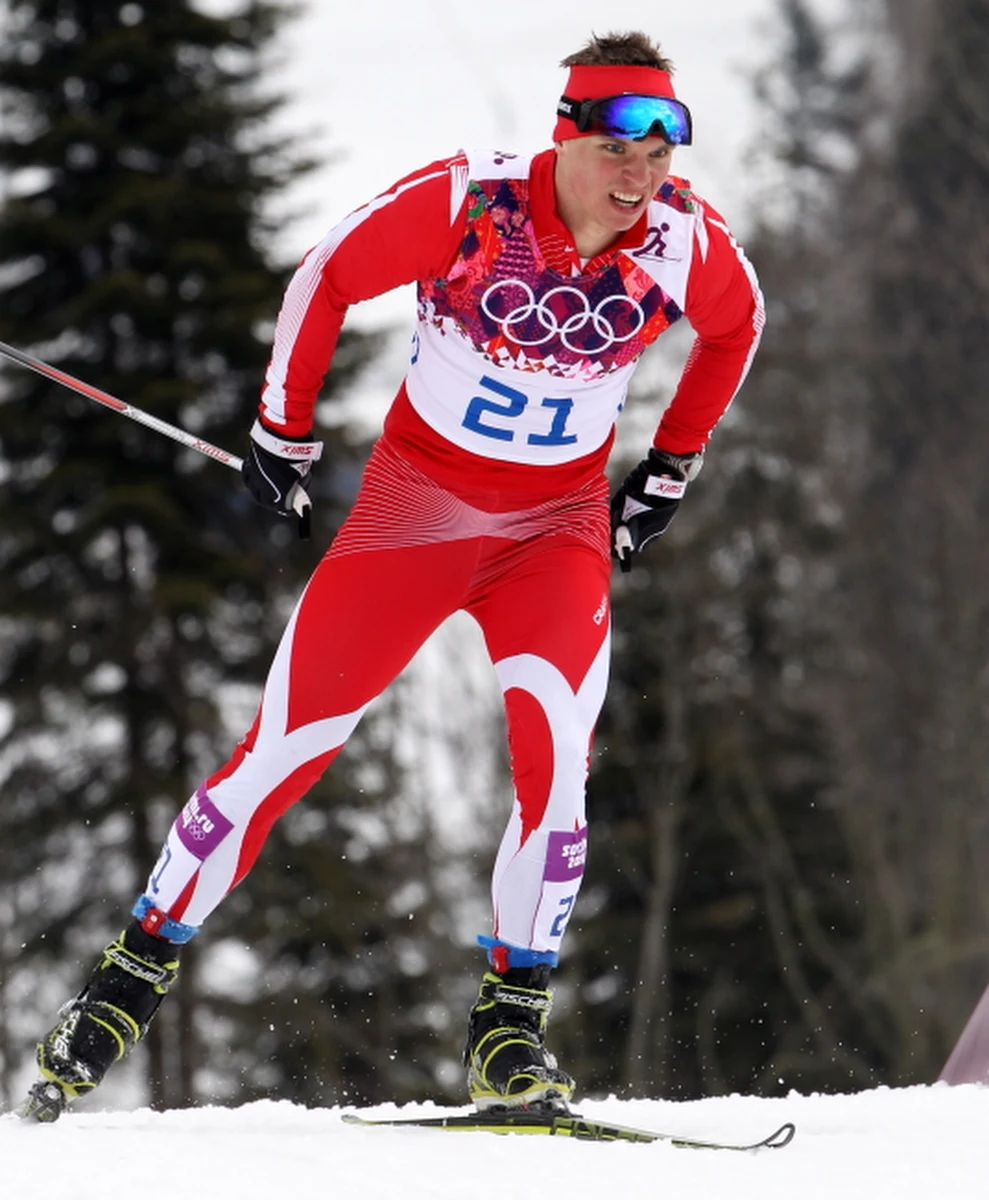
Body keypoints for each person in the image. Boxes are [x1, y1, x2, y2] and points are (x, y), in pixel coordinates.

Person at [21, 30, 763, 1122]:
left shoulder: (681, 241)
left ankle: (508, 1031)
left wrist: (670, 465)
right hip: (415, 518)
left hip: (551, 535)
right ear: (563, 135)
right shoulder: (472, 203)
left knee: (558, 771)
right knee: (284, 748)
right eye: (616, 149)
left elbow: (737, 328)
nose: (637, 178)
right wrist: (281, 428)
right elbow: (326, 275)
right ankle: (126, 980)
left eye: (658, 155)